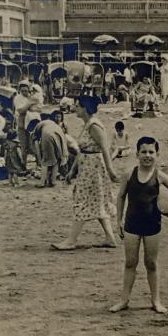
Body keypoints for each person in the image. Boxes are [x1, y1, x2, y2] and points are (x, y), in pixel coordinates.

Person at [110, 137, 168, 314]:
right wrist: (118, 220)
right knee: (130, 263)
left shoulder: (160, 176)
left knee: (151, 263)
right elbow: (120, 197)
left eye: (151, 152)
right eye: (144, 152)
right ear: (137, 154)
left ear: (157, 154)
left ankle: (156, 301)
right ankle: (124, 300)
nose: (147, 155)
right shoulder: (129, 174)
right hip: (131, 224)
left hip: (152, 224)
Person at [52, 94, 120, 250]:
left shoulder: (94, 125)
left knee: (82, 202)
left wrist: (111, 171)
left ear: (85, 108)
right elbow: (82, 150)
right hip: (87, 167)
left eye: (78, 105)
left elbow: (104, 149)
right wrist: (72, 171)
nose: (74, 108)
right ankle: (110, 238)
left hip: (94, 170)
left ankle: (71, 240)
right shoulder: (87, 124)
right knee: (97, 203)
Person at [30, 116, 68, 187]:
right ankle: (53, 181)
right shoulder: (49, 122)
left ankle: (42, 183)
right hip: (59, 133)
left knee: (45, 161)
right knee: (56, 159)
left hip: (48, 135)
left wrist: (39, 159)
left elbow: (36, 145)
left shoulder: (37, 127)